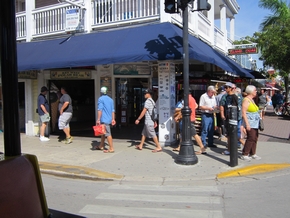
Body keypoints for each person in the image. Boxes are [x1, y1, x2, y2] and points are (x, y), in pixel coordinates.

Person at [135, 89, 162, 153]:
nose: (144, 95)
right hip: (150, 120)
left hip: (149, 121)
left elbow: (144, 111)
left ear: (149, 94)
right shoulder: (152, 101)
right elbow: (153, 112)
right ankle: (141, 145)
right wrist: (155, 121)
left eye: (145, 93)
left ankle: (158, 146)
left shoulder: (147, 101)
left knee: (152, 134)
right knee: (144, 133)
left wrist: (138, 119)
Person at [241, 85, 262, 161]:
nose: (256, 91)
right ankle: (245, 153)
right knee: (251, 137)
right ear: (250, 91)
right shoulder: (246, 100)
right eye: (255, 90)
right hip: (250, 122)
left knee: (255, 138)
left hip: (255, 123)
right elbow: (243, 113)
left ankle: (253, 153)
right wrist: (247, 124)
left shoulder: (252, 99)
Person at [220, 82, 239, 155]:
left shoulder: (234, 97)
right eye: (225, 87)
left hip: (232, 118)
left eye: (227, 87)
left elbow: (236, 108)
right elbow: (223, 105)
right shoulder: (226, 96)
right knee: (228, 134)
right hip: (227, 117)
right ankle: (229, 148)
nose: (225, 89)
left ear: (231, 88)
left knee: (232, 134)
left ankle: (231, 149)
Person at [95, 86, 116, 153]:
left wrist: (98, 119)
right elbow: (113, 110)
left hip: (104, 119)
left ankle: (111, 148)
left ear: (101, 92)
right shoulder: (111, 100)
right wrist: (113, 119)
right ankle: (101, 146)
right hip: (109, 119)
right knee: (103, 133)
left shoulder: (100, 99)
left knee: (107, 133)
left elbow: (100, 109)